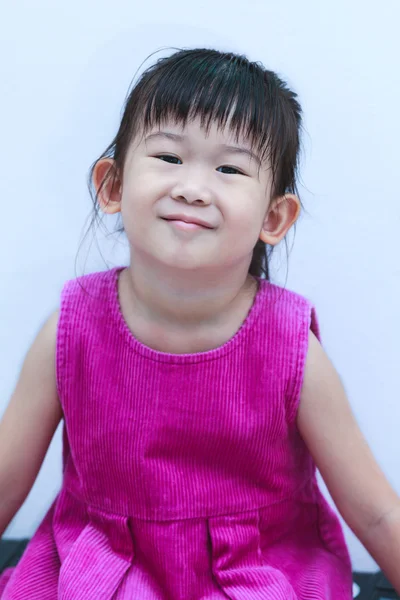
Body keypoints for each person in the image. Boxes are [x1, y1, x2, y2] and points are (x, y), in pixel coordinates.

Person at [0, 46, 399, 600]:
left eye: (229, 168)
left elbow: (376, 511)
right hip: (103, 569)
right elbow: (5, 481)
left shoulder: (289, 347)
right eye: (168, 157)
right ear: (112, 185)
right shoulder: (73, 328)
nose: (192, 186)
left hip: (251, 573)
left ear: (273, 217)